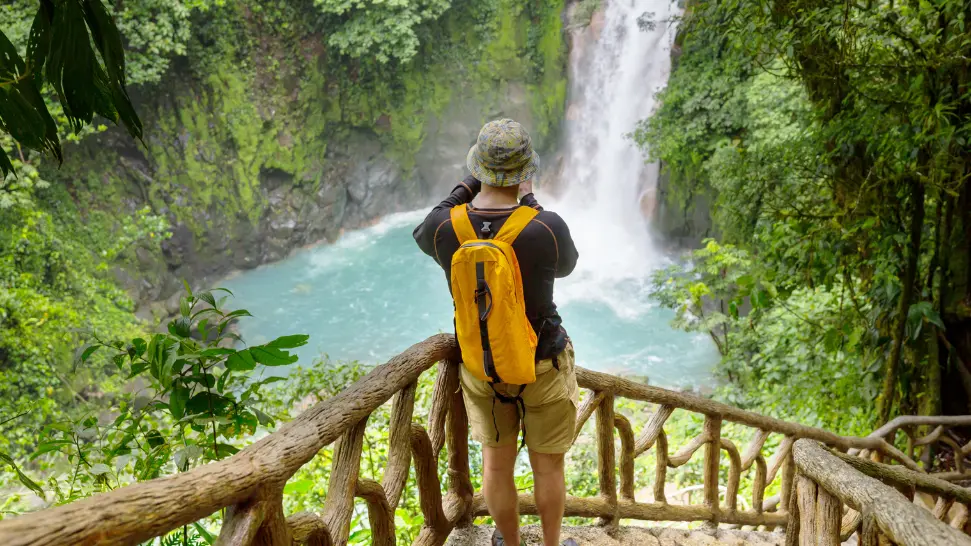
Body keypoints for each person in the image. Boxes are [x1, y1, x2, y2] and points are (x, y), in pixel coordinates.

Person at [413, 119, 580, 546]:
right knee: (548, 468)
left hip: (482, 367)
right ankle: (551, 544)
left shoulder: (447, 228)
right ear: (526, 171)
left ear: (478, 169)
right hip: (542, 362)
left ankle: (508, 541)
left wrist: (468, 185)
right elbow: (566, 265)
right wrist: (530, 199)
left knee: (496, 466)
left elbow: (424, 225)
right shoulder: (545, 227)